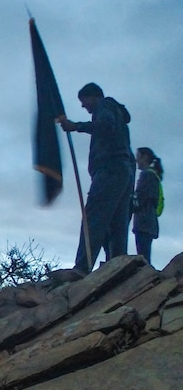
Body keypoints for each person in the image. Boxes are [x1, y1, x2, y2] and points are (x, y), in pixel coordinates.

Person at [58, 83, 135, 274]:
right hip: (123, 171)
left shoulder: (105, 105)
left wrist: (76, 126)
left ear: (93, 97)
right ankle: (118, 268)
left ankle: (82, 268)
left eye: (84, 102)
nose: (84, 107)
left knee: (94, 217)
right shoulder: (117, 112)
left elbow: (104, 125)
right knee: (117, 224)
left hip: (109, 169)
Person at [132, 147, 164, 265]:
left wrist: (129, 206)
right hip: (149, 222)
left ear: (145, 157)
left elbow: (140, 198)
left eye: (138, 156)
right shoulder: (154, 176)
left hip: (143, 222)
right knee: (145, 254)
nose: (136, 160)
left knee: (143, 257)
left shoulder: (147, 175)